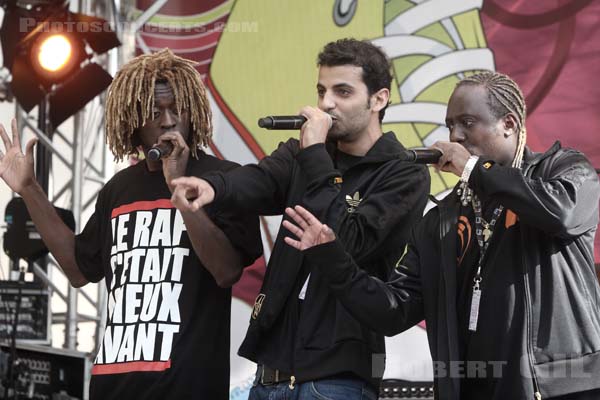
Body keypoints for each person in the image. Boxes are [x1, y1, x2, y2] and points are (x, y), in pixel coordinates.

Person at [282, 71, 600, 400]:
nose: (454, 136)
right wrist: (332, 256)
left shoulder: (564, 170)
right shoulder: (442, 220)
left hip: (559, 387)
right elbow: (394, 310)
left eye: (467, 123)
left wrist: (474, 169)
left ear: (509, 124)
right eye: (450, 125)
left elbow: (561, 213)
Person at [169, 38, 431, 399]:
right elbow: (258, 180)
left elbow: (352, 242)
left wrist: (316, 158)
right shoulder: (301, 154)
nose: (326, 104)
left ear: (379, 99)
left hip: (337, 380)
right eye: (322, 90)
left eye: (342, 91)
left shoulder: (402, 174)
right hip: (270, 377)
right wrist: (214, 187)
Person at [0, 48, 262, 400]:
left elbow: (227, 271)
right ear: (133, 123)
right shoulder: (118, 190)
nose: (169, 121)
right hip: (114, 386)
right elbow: (80, 271)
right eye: (155, 113)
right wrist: (30, 189)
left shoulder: (225, 180)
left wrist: (178, 189)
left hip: (187, 387)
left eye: (177, 109)